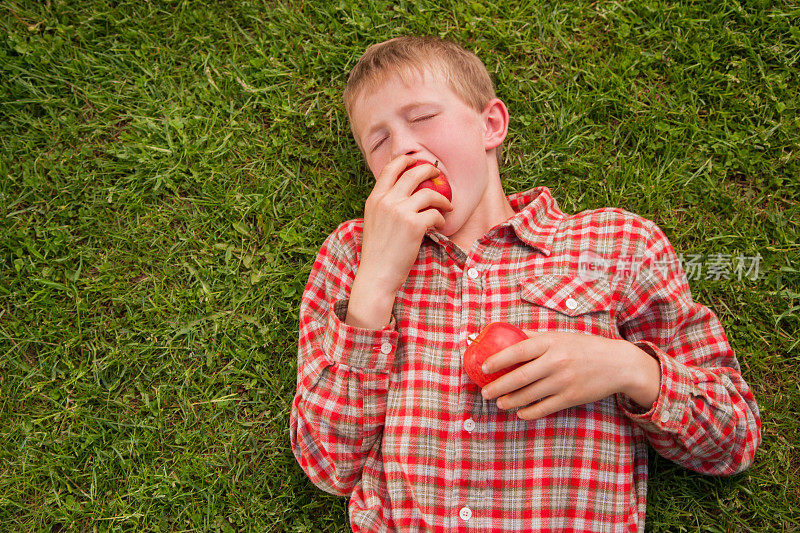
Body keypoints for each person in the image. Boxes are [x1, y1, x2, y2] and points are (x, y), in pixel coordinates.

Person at [289, 35, 761, 532]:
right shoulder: (353, 255)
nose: (404, 147)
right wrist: (375, 288)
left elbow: (734, 436)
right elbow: (329, 465)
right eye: (378, 142)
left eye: (423, 117)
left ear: (490, 125)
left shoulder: (617, 243)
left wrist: (629, 367)